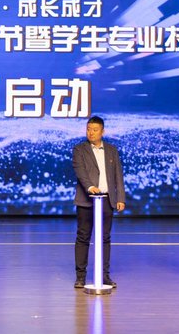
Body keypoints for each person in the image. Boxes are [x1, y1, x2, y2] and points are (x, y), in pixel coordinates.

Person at [72, 115, 126, 289]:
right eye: (88, 129)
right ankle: (80, 277)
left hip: (106, 200)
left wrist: (120, 197)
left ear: (103, 131)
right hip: (86, 201)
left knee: (105, 238)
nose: (91, 133)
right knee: (83, 237)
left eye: (95, 130)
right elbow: (80, 172)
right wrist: (90, 187)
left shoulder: (112, 150)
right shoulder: (79, 149)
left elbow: (118, 175)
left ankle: (104, 276)